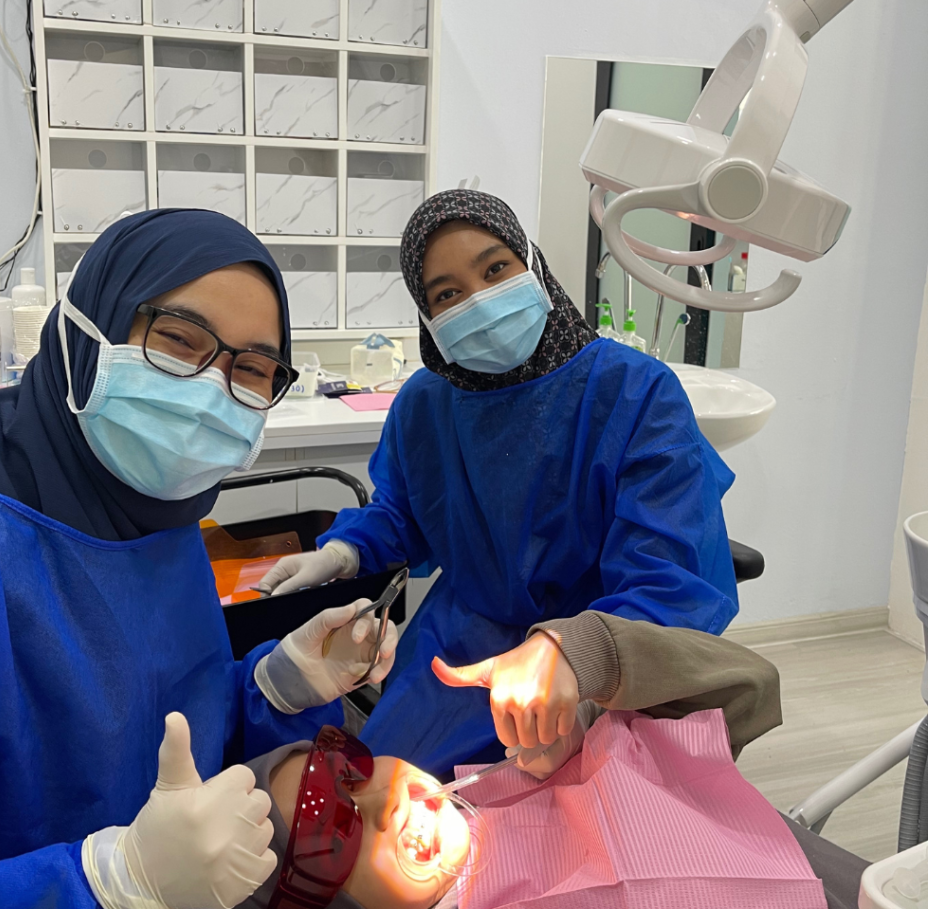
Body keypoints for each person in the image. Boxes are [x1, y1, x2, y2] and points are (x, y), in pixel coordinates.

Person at [0, 210, 398, 909]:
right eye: (177, 339)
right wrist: (107, 879)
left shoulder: (159, 529)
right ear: (87, 335)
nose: (208, 391)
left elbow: (164, 739)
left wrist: (273, 687)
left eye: (251, 368)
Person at [258, 189, 739, 774]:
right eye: (449, 294)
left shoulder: (633, 393)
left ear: (531, 265)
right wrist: (341, 552)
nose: (480, 300)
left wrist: (576, 658)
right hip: (457, 656)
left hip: (603, 659)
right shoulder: (425, 405)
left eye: (495, 269)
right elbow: (405, 513)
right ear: (429, 318)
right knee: (394, 809)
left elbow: (670, 573)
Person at [224, 625, 873, 909]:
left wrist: (588, 655)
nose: (387, 803)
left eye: (348, 774)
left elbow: (752, 689)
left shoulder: (553, 761)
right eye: (333, 835)